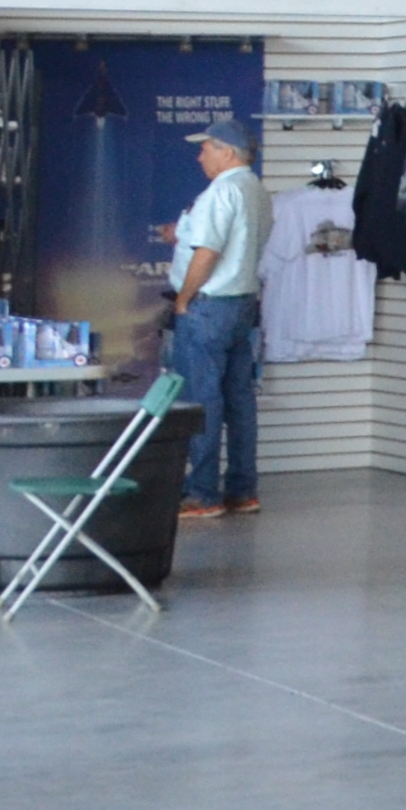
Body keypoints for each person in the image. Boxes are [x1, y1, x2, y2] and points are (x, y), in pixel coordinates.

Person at [164, 120, 264, 517]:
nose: (199, 155)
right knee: (239, 399)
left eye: (206, 148)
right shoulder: (254, 189)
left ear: (228, 152)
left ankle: (202, 494)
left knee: (201, 399)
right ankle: (242, 490)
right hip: (241, 304)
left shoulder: (222, 191)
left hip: (209, 305)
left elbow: (208, 252)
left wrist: (184, 299)